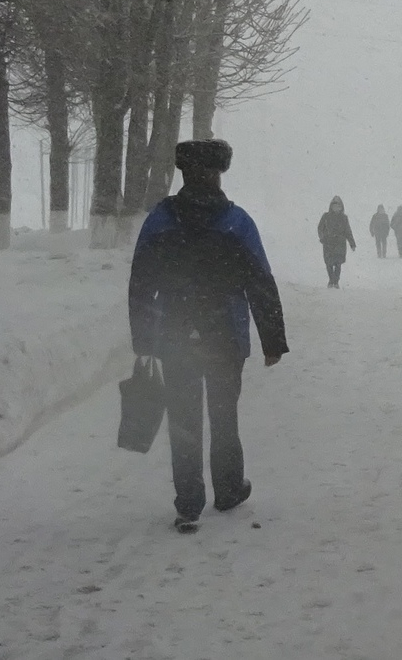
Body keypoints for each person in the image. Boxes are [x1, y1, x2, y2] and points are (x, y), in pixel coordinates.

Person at [129, 139, 288, 533]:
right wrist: (272, 341)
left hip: (175, 333)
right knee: (223, 415)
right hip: (225, 336)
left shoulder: (161, 221)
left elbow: (141, 282)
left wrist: (144, 338)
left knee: (184, 417)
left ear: (183, 173)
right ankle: (229, 488)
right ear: (218, 175)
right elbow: (260, 282)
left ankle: (188, 503)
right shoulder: (237, 223)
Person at [317, 196, 356, 288]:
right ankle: (331, 280)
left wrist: (352, 244)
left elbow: (348, 231)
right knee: (329, 263)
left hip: (340, 244)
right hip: (328, 243)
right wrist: (322, 238)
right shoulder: (325, 216)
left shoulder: (344, 218)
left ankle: (336, 281)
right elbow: (320, 228)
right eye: (334, 206)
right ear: (331, 207)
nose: (336, 208)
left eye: (338, 206)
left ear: (341, 207)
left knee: (338, 263)